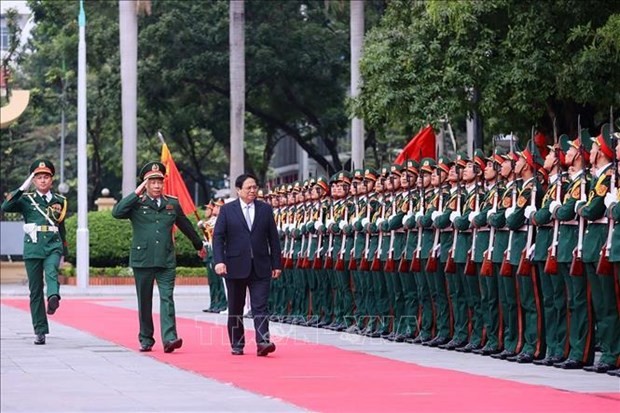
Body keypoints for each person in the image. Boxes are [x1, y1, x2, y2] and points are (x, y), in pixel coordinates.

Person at [111, 161, 206, 353]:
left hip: (166, 258)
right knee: (144, 301)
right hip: (143, 259)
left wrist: (199, 245)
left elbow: (185, 225)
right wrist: (136, 192)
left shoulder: (171, 203)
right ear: (145, 184)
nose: (156, 185)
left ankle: (170, 338)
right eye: (151, 182)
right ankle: (146, 338)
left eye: (159, 182)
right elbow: (117, 212)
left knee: (167, 298)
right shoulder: (137, 203)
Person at [213, 173, 282, 356]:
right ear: (238, 190)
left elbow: (273, 239)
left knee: (260, 306)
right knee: (236, 307)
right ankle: (237, 343)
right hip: (235, 266)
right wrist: (219, 261)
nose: (253, 191)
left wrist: (276, 264)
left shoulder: (265, 209)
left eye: (255, 187)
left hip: (261, 265)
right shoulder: (228, 210)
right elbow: (218, 238)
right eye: (248, 188)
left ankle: (263, 341)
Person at [1, 159, 68, 345]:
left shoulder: (60, 200)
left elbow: (61, 226)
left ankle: (53, 297)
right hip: (33, 247)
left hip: (53, 244)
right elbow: (5, 207)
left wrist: (65, 250)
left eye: (46, 177)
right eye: (38, 177)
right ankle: (40, 330)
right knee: (35, 290)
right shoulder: (26, 199)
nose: (43, 180)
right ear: (34, 180)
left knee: (52, 271)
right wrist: (23, 186)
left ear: (52, 180)